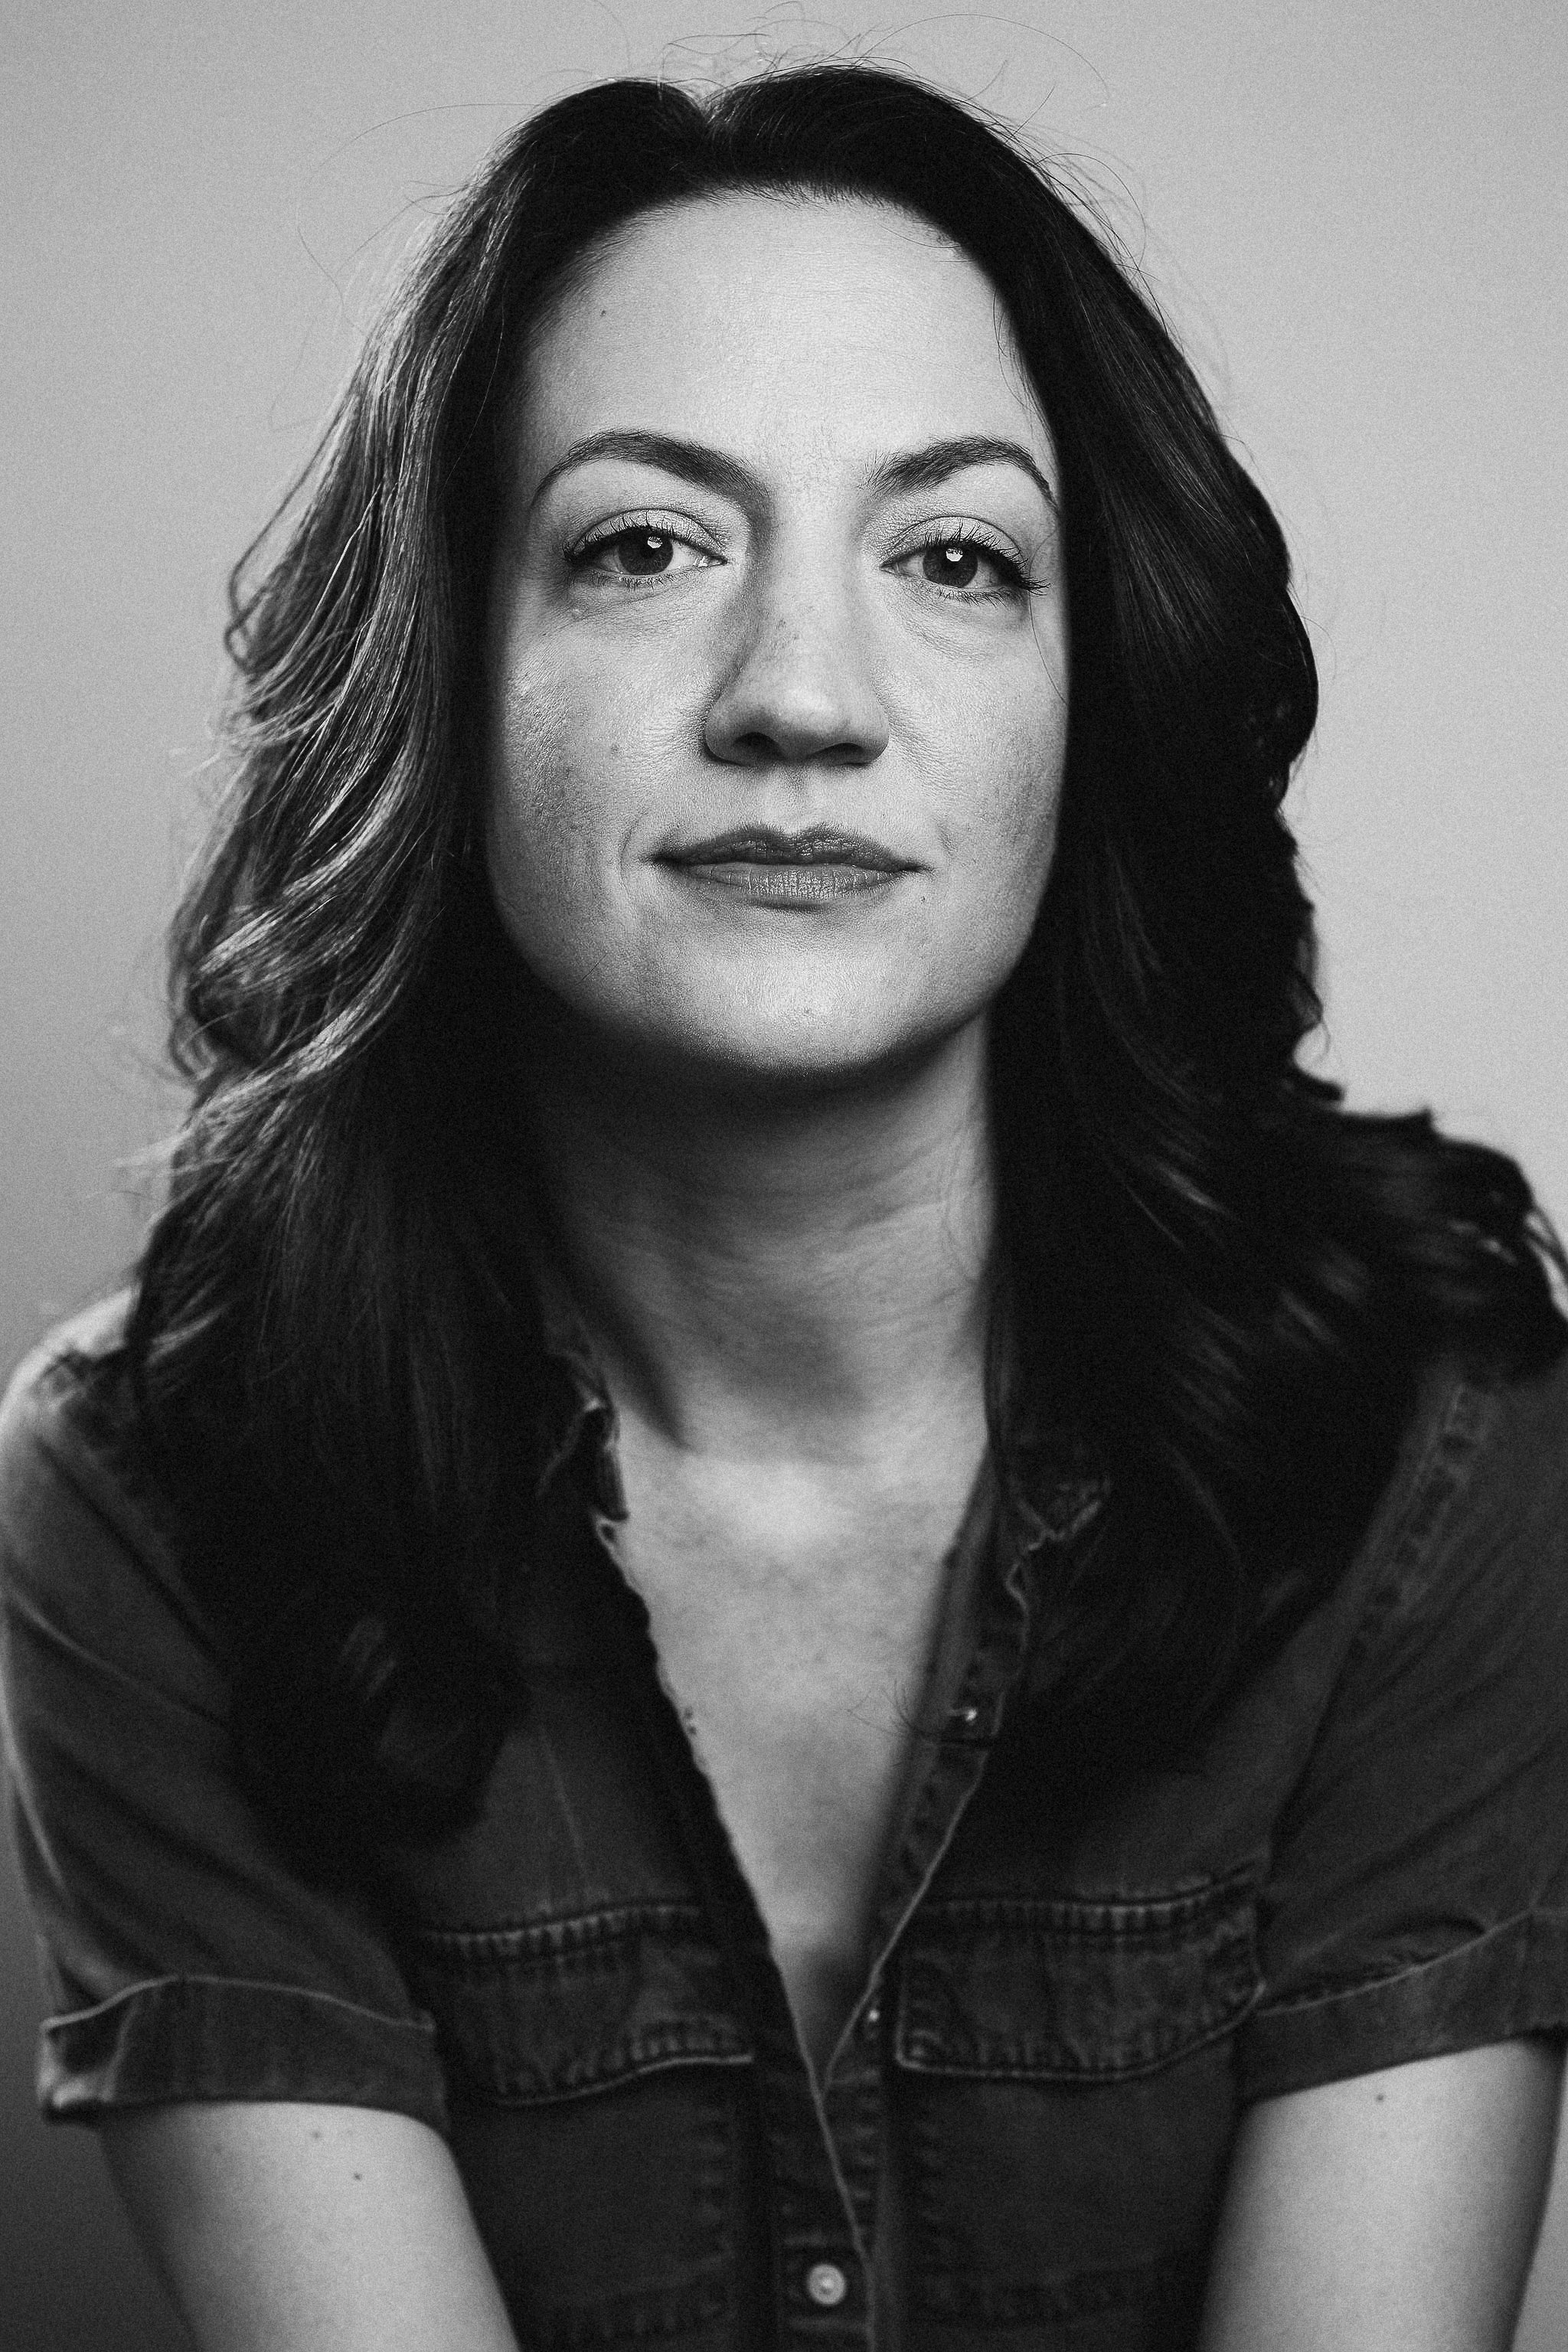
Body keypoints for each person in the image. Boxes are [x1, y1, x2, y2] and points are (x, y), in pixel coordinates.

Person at [2, 59, 1566, 2352]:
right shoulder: (156, 1489)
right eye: (643, 545)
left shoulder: (1441, 1444)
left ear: (1090, 692)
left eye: (955, 558)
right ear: (444, 664)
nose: (802, 699)